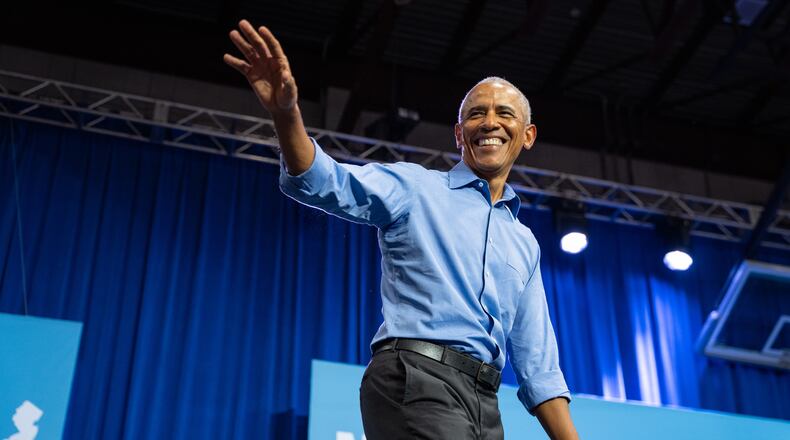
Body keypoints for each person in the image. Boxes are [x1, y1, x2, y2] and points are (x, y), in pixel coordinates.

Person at [224, 20, 579, 440]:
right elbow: (323, 181)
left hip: (484, 402)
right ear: (458, 134)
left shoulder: (525, 243)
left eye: (505, 113)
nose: (490, 122)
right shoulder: (415, 187)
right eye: (476, 114)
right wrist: (286, 114)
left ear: (528, 135)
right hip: (416, 378)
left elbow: (538, 363)